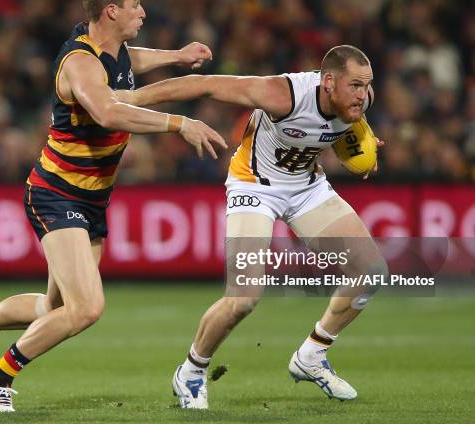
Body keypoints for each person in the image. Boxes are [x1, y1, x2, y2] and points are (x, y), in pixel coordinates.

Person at [0, 0, 226, 412]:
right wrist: (179, 122)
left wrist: (177, 55)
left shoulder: (114, 49)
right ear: (112, 10)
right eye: (135, 5)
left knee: (56, 308)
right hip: (56, 193)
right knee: (87, 307)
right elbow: (107, 112)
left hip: (90, 198)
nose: (143, 12)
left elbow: (131, 61)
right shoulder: (80, 63)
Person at [116, 45, 388, 408]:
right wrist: (133, 97)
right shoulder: (282, 94)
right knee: (243, 299)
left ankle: (312, 355)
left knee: (370, 270)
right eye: (355, 85)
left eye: (366, 85)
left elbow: (347, 130)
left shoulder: (360, 99)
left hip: (306, 186)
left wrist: (363, 149)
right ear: (328, 82)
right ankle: (192, 371)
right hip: (254, 186)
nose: (362, 94)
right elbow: (205, 84)